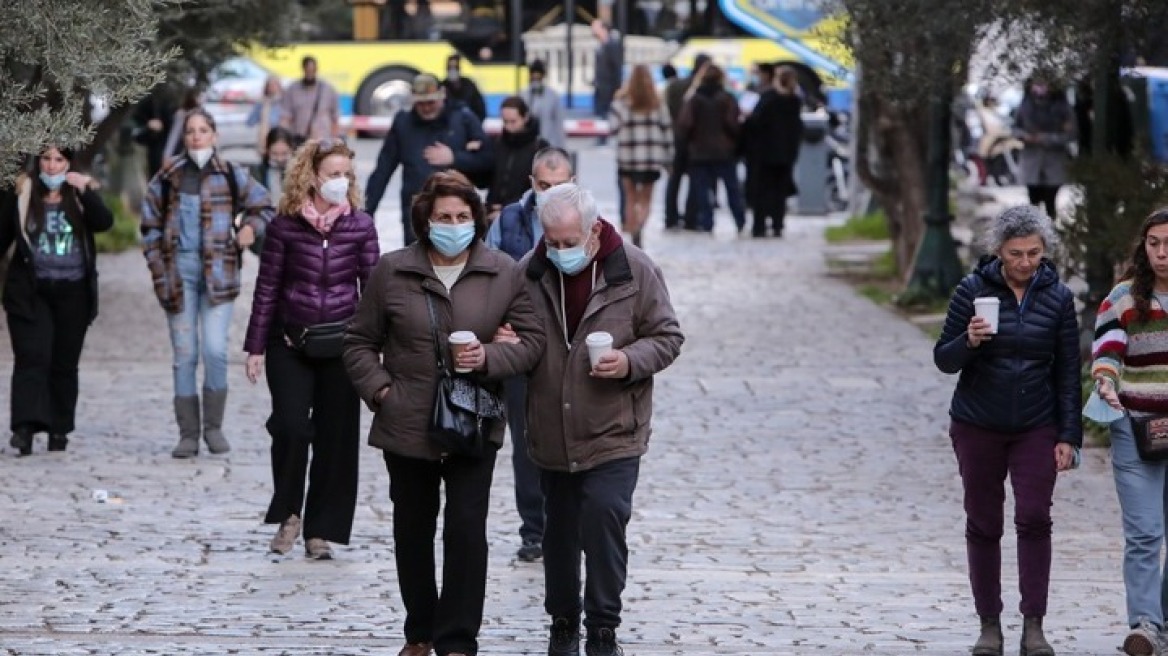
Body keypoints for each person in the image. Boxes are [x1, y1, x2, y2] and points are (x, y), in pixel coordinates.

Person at [343, 171, 546, 656]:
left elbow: (533, 344)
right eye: (443, 217)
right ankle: (420, 631)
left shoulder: (503, 271)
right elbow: (358, 342)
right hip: (406, 420)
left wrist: (490, 358)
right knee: (412, 530)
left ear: (475, 220)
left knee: (465, 530)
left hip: (473, 420)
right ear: (425, 220)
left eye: (461, 216)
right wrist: (381, 391)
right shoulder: (392, 270)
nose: (452, 224)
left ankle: (457, 638)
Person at [506, 183, 683, 656]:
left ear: (595, 229)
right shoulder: (528, 273)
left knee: (605, 518)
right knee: (558, 532)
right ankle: (563, 622)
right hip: (550, 431)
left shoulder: (635, 270)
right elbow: (518, 343)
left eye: (569, 241)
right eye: (552, 242)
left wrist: (628, 361)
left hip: (613, 428)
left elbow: (667, 336)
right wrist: (505, 342)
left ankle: (603, 627)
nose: (560, 251)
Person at [933, 205, 1081, 656]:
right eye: (1016, 253)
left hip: (1036, 423)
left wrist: (1068, 436)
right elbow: (944, 359)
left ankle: (1034, 624)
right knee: (983, 522)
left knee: (1035, 518)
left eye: (1034, 253)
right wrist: (970, 342)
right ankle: (989, 624)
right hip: (978, 422)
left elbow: (1069, 373)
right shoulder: (971, 290)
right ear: (998, 251)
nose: (1025, 262)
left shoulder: (1058, 298)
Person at [243, 137, 379, 560]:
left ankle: (320, 530)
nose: (341, 182)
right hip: (290, 341)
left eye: (346, 175)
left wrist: (375, 347)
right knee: (290, 426)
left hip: (342, 343)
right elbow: (267, 287)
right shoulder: (284, 226)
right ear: (310, 176)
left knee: (336, 439)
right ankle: (288, 511)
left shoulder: (360, 225)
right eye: (333, 174)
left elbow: (373, 288)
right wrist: (255, 346)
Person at [141, 109, 276, 459]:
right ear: (185, 137)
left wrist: (249, 227)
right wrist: (158, 266)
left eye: (203, 130)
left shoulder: (232, 174)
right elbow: (150, 224)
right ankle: (188, 434)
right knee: (184, 354)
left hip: (220, 274)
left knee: (215, 350)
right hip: (178, 274)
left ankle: (213, 428)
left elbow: (264, 206)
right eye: (191, 131)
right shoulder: (168, 174)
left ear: (214, 136)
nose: (197, 136)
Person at [484, 146, 575, 563]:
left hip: (572, 349)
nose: (552, 193)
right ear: (532, 185)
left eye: (560, 186)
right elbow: (485, 279)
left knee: (572, 433)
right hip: (520, 346)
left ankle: (570, 523)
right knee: (525, 441)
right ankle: (534, 529)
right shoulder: (509, 221)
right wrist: (495, 327)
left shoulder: (591, 225)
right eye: (545, 186)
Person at [1091, 208, 1168, 656]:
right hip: (1135, 425)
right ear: (1144, 247)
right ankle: (1144, 623)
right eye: (1154, 243)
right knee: (1144, 532)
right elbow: (1108, 350)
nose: (1161, 252)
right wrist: (1105, 378)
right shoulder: (1123, 298)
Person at [1, 147, 112, 456]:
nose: (51, 166)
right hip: (30, 292)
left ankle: (58, 429)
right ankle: (24, 428)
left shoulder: (79, 195)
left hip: (73, 293)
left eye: (58, 160)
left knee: (64, 363)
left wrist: (85, 190)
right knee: (31, 357)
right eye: (46, 159)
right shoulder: (22, 193)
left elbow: (104, 223)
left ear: (69, 163)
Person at [365, 74, 492, 246]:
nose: (426, 108)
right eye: (421, 103)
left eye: (431, 102)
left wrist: (455, 157)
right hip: (416, 212)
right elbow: (383, 170)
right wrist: (367, 212)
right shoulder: (403, 123)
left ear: (442, 96)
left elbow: (488, 160)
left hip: (456, 213)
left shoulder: (463, 118)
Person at [608, 64, 672, 248]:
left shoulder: (620, 103)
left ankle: (632, 228)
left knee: (630, 197)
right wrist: (669, 159)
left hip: (627, 158)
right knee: (645, 198)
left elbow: (612, 128)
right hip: (651, 159)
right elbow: (667, 131)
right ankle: (639, 227)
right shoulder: (657, 103)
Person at [676, 64, 745, 234]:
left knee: (703, 190)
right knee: (732, 189)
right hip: (724, 151)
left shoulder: (694, 99)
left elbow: (685, 125)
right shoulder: (727, 98)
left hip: (699, 152)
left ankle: (707, 222)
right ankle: (739, 219)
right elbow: (734, 124)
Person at [741, 65, 803, 238]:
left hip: (764, 153)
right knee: (779, 191)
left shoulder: (768, 98)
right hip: (786, 154)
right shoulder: (795, 100)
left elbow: (755, 122)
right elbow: (797, 128)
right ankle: (777, 224)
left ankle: (759, 226)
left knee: (762, 190)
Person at [1014, 75, 1074, 219]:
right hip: (1032, 160)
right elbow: (1015, 127)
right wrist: (1024, 136)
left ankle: (1049, 231)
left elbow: (1070, 134)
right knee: (1033, 200)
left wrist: (1045, 138)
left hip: (1054, 161)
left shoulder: (1063, 107)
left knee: (1050, 200)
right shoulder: (1025, 105)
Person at [663, 54, 709, 230]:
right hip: (694, 139)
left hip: (676, 136)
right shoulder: (700, 88)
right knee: (695, 180)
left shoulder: (676, 85)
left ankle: (671, 217)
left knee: (674, 179)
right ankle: (691, 218)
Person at [486, 96, 549, 220]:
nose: (508, 126)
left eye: (513, 121)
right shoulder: (497, 143)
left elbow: (540, 188)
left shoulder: (540, 147)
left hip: (524, 214)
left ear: (525, 117)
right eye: (505, 121)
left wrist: (506, 208)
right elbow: (486, 178)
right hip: (493, 212)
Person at [280, 56, 341, 143]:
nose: (310, 73)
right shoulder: (292, 89)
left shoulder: (328, 89)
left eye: (312, 70)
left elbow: (335, 117)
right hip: (299, 138)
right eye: (308, 70)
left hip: (323, 138)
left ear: (316, 69)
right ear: (303, 69)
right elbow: (285, 116)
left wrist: (335, 139)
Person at [132, 83, 177, 177]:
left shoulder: (171, 100)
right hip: (152, 143)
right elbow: (137, 118)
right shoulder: (150, 99)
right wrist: (149, 124)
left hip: (165, 144)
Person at [520, 59, 566, 149]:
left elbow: (558, 124)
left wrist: (561, 148)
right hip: (526, 145)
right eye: (533, 75)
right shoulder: (523, 95)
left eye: (538, 75)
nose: (536, 78)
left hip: (548, 144)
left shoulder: (552, 96)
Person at [591, 20, 623, 144]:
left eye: (595, 27)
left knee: (607, 112)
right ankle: (601, 136)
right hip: (600, 85)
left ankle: (604, 136)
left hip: (609, 87)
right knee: (600, 112)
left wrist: (616, 87)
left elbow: (616, 67)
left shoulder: (612, 44)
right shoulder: (601, 44)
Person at [250, 127, 297, 207]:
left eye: (284, 153)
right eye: (275, 154)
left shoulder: (299, 171)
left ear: (291, 150)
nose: (279, 159)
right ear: (268, 151)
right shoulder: (257, 171)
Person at [442, 54, 487, 122]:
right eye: (450, 67)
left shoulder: (469, 85)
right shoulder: (443, 86)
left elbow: (480, 109)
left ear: (459, 68)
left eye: (455, 67)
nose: (452, 70)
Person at [248, 75, 285, 155]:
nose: (272, 88)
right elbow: (250, 122)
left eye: (274, 85)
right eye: (270, 86)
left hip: (280, 138)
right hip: (264, 140)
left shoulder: (284, 102)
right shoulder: (261, 102)